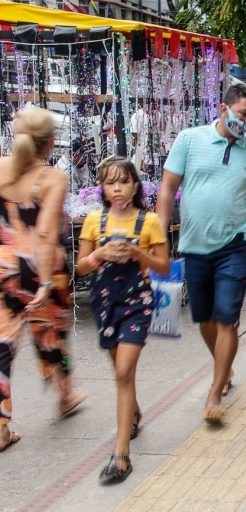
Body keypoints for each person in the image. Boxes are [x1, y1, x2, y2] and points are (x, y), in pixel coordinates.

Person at [157, 83, 246, 424]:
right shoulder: (189, 140)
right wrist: (158, 234)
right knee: (204, 319)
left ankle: (215, 391)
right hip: (193, 245)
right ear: (224, 109)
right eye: (242, 114)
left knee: (226, 320)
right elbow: (168, 188)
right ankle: (225, 366)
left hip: (235, 245)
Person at [76, 159, 169, 483]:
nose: (117, 189)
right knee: (121, 373)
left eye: (123, 182)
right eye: (110, 183)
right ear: (102, 187)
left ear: (135, 186)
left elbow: (164, 267)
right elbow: (81, 268)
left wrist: (137, 254)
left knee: (123, 371)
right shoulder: (93, 221)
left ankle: (121, 455)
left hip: (136, 304)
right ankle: (134, 412)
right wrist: (99, 255)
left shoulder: (150, 221)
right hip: (105, 304)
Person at [0, 109, 86, 452]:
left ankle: (2, 424)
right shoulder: (51, 178)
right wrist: (46, 283)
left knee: (3, 344)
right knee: (52, 333)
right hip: (42, 268)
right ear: (51, 143)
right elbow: (47, 232)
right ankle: (65, 395)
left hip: (4, 267)